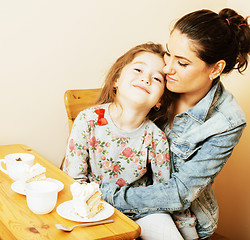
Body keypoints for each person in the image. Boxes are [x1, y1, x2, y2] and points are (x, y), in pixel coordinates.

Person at [100, 8, 250, 239]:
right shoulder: (154, 80)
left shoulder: (227, 121)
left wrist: (106, 195)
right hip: (120, 205)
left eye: (181, 63)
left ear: (216, 68)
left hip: (182, 219)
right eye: (168, 53)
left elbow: (179, 193)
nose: (167, 67)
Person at [63, 43, 197, 239]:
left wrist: (189, 233)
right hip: (95, 209)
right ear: (117, 79)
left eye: (157, 78)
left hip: (143, 210)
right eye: (138, 69)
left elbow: (165, 193)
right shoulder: (88, 120)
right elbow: (74, 181)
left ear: (160, 100)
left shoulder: (156, 137)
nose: (145, 78)